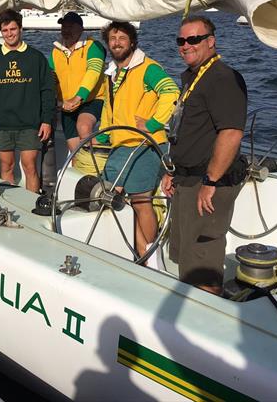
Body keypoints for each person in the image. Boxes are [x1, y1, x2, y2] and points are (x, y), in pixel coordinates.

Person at [161, 16, 247, 295]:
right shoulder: (195, 76)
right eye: (181, 41)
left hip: (208, 184)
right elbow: (187, 129)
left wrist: (210, 182)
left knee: (202, 259)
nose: (186, 45)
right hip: (188, 180)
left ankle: (208, 317)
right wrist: (172, 171)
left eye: (194, 39)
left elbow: (231, 133)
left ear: (211, 41)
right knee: (187, 255)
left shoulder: (222, 78)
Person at [99, 21, 179, 262]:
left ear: (132, 42)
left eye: (122, 37)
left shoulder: (147, 68)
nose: (116, 42)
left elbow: (172, 91)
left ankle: (149, 255)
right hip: (121, 145)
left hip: (146, 144)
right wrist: (103, 134)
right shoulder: (112, 72)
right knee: (111, 195)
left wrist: (154, 123)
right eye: (112, 38)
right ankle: (135, 250)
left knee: (141, 200)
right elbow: (108, 106)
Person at [0, 9, 54, 193]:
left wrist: (47, 120)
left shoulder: (36, 58)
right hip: (1, 124)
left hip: (29, 123)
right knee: (6, 167)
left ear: (20, 29)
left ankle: (32, 205)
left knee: (29, 166)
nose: (9, 34)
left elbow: (47, 91)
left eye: (13, 29)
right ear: (1, 32)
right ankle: (11, 206)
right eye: (5, 30)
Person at [49, 11, 106, 152]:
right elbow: (50, 77)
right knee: (74, 151)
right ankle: (79, 171)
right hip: (66, 105)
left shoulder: (93, 47)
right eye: (64, 27)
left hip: (91, 100)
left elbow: (93, 72)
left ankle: (95, 165)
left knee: (83, 127)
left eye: (70, 27)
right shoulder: (56, 51)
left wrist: (79, 97)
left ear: (81, 29)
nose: (66, 31)